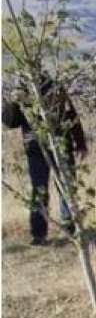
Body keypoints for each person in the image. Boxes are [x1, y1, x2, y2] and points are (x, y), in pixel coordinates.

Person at [2, 79, 87, 245]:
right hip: (36, 149)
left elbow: (71, 115)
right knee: (39, 190)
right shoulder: (21, 92)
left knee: (66, 186)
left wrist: (80, 143)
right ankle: (39, 235)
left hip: (61, 144)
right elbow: (10, 122)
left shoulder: (54, 87)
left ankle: (71, 229)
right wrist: (12, 103)